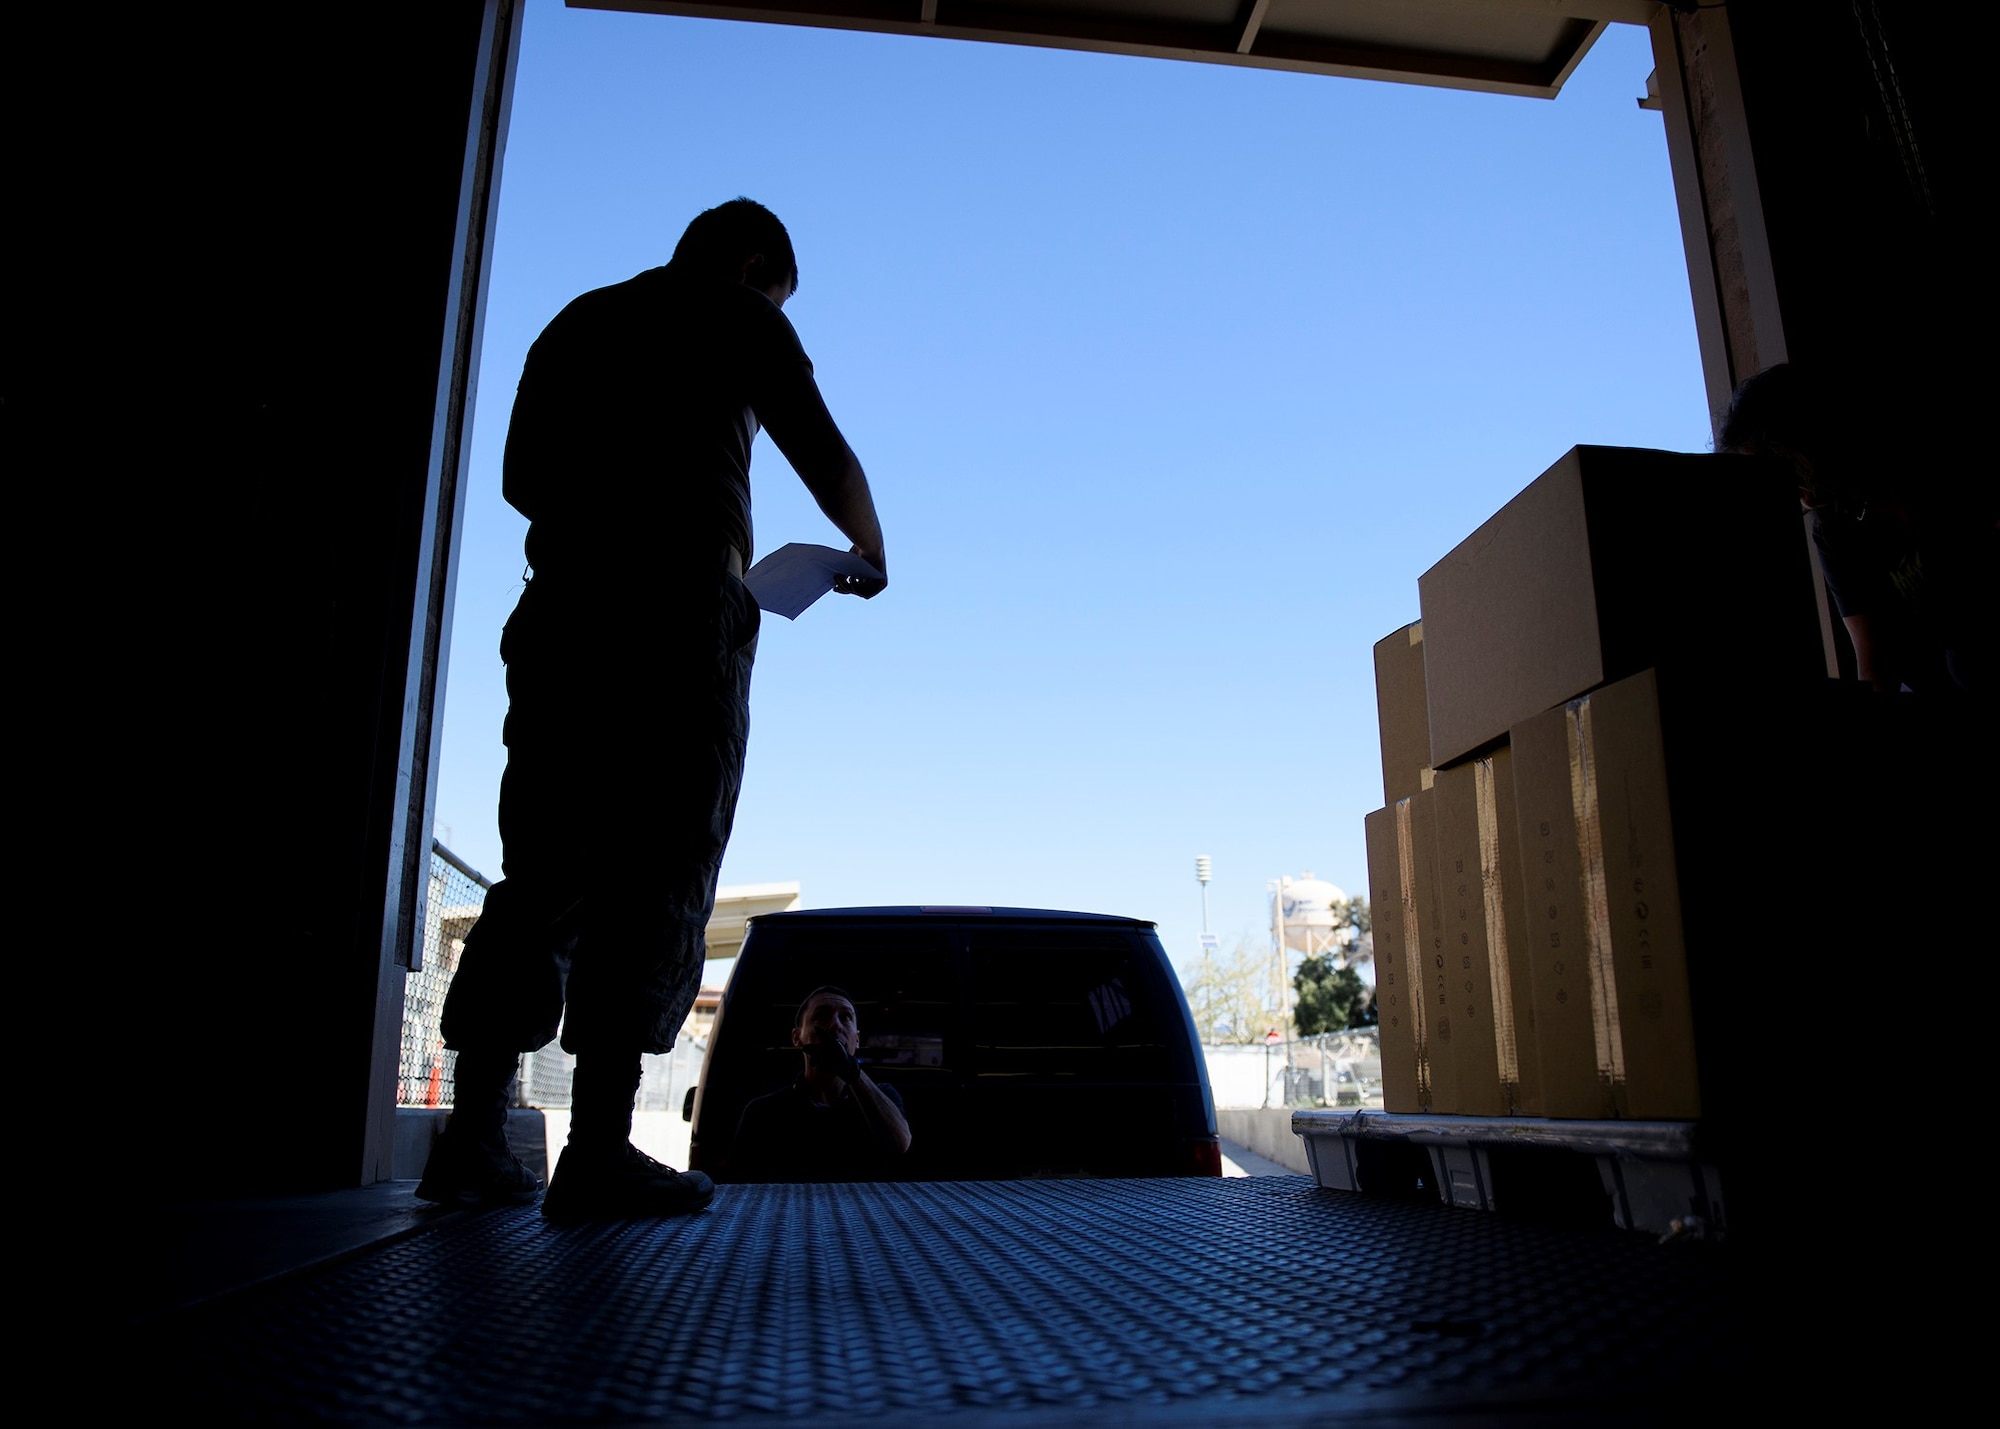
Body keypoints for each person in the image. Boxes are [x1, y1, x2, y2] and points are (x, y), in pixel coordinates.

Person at [416, 199, 889, 1221]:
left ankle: (470, 1135)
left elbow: (517, 481)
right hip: (678, 618)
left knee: (541, 871)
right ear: (754, 265)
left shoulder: (576, 323)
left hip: (563, 612)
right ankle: (595, 1147)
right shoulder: (737, 317)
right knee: (655, 870)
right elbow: (822, 450)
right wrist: (870, 548)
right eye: (776, 293)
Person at [1718, 362, 1994, 696]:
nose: (1792, 489)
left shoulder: (1931, 463)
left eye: (1783, 463)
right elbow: (1872, 662)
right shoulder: (1835, 532)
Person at [731, 986, 913, 1182]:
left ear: (857, 1039)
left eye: (845, 1018)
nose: (835, 1025)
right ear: (796, 1037)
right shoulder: (762, 1113)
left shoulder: (882, 1098)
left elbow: (900, 1143)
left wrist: (852, 1071)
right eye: (821, 1016)